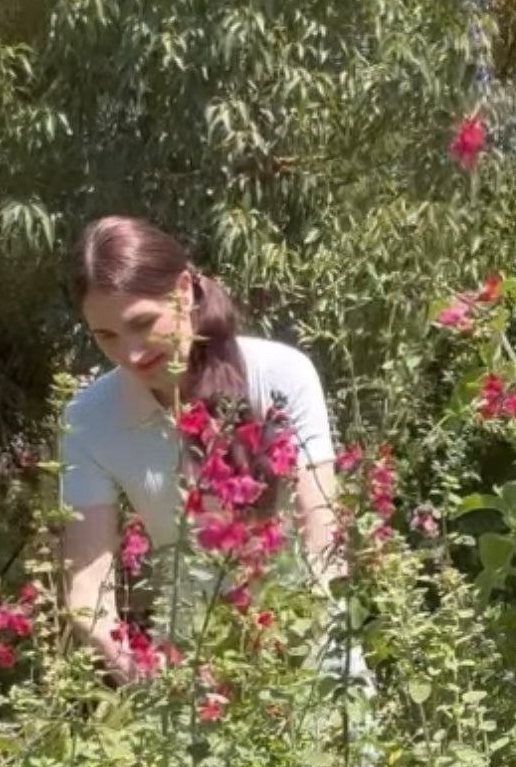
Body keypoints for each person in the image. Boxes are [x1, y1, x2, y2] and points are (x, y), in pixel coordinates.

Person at [60, 215, 345, 683]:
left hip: (308, 658)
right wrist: (156, 681)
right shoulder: (89, 418)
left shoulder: (280, 375)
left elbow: (324, 544)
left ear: (186, 289)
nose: (130, 354)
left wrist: (286, 649)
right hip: (193, 672)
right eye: (106, 337)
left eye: (142, 323)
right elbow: (86, 593)